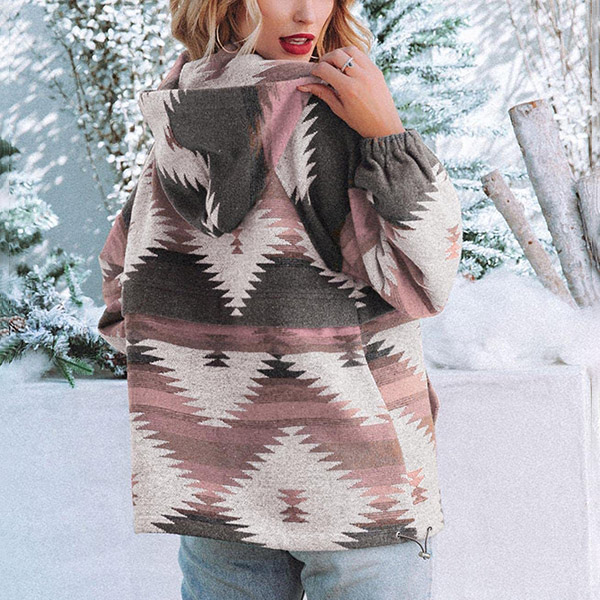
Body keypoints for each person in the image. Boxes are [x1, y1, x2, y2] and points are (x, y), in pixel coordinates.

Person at [96, 0, 463, 598]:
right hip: (355, 481)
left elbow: (121, 286)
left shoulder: (179, 119)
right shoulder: (328, 117)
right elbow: (426, 277)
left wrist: (204, 379)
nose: (305, 14)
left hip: (214, 486)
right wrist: (387, 134)